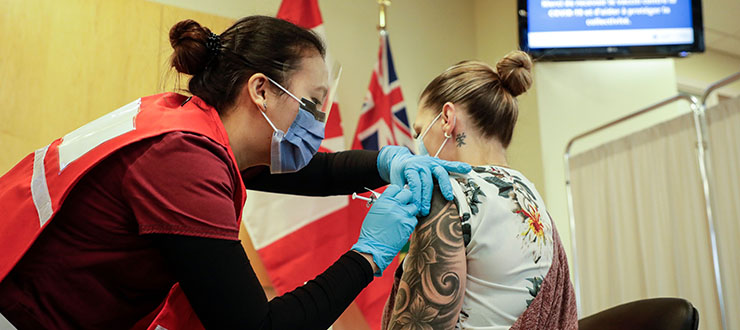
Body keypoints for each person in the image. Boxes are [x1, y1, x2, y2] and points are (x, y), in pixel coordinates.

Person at [0, 16, 471, 330]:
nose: (317, 124)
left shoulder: (187, 121)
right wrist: (367, 257)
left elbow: (313, 171)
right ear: (261, 90)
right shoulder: (184, 160)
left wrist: (386, 161)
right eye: (309, 103)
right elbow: (256, 328)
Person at [382, 51, 578, 330]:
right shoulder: (534, 202)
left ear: (447, 118)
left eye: (419, 131)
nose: (418, 145)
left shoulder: (450, 197)